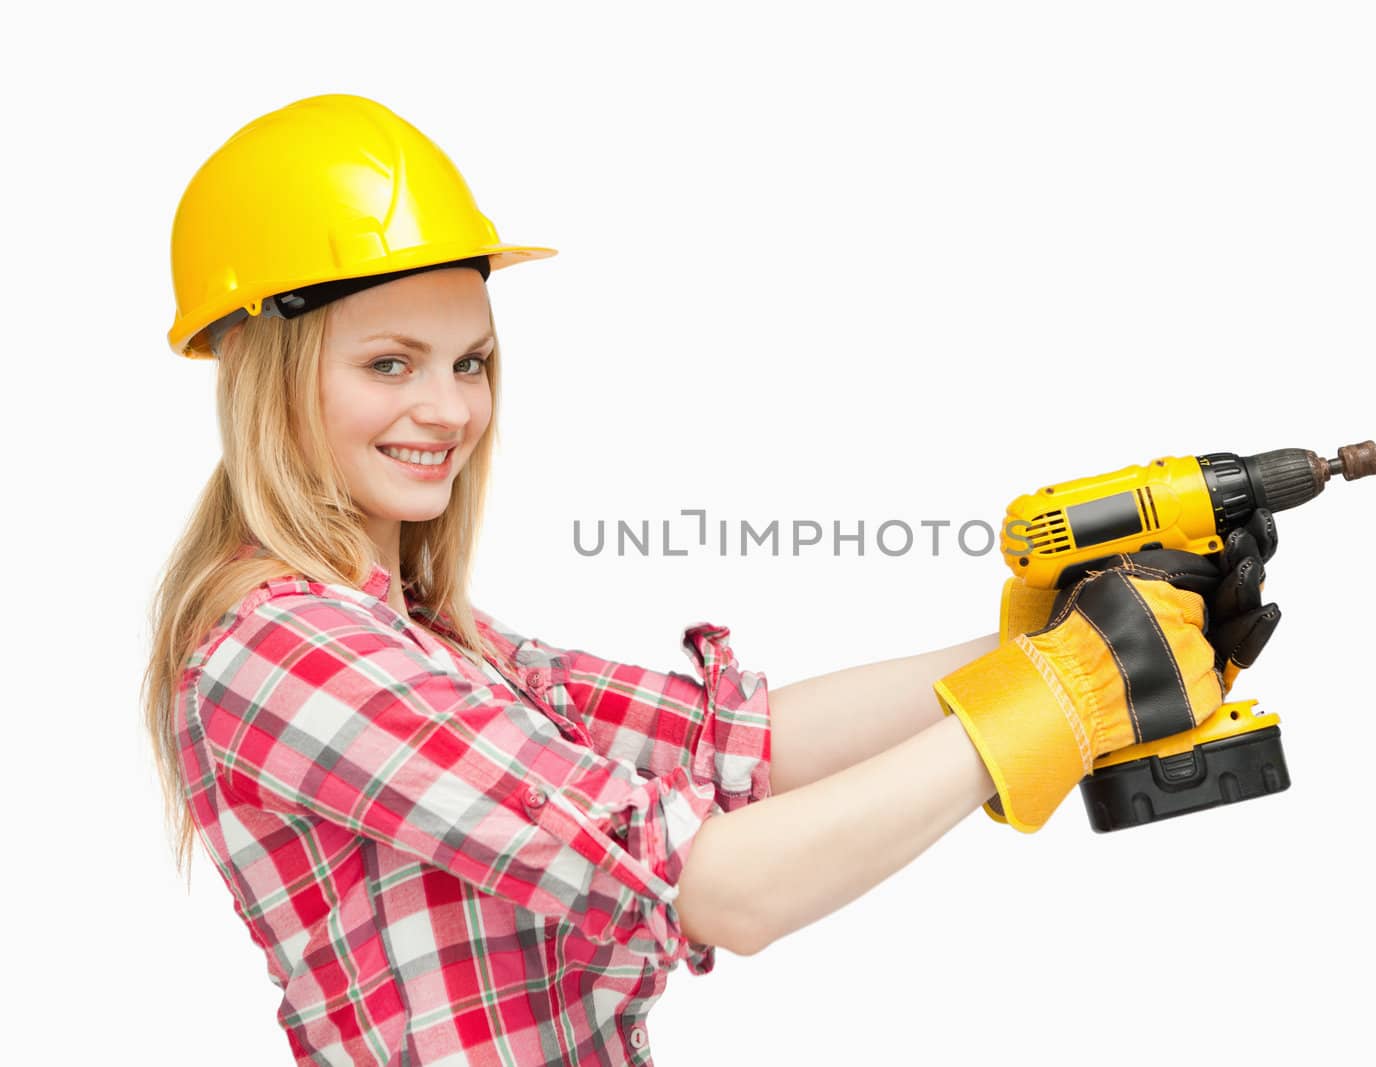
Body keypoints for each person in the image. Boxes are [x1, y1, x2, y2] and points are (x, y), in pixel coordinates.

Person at [143, 94, 1281, 1067]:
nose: (448, 409)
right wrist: (1060, 698)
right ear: (270, 371)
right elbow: (713, 885)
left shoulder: (431, 639)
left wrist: (1054, 635)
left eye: (470, 361)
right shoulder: (287, 654)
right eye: (388, 362)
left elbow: (724, 737)